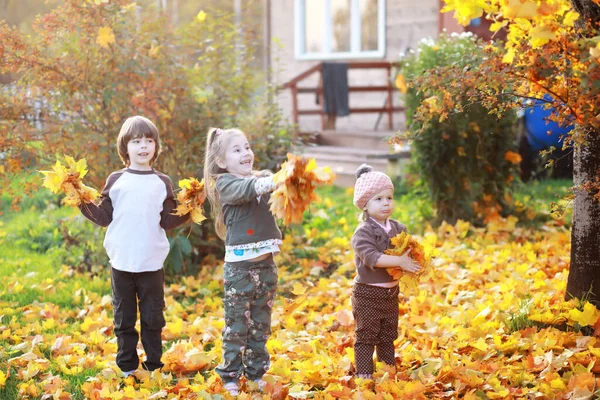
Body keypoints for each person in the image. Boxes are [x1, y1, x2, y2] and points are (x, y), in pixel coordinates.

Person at [78, 115, 190, 379]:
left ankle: (153, 366)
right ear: (125, 148)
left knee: (153, 318)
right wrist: (80, 199)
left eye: (149, 141)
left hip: (151, 263)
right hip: (122, 262)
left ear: (155, 146)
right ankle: (127, 367)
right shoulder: (117, 179)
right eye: (136, 141)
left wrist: (191, 207)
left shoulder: (162, 182)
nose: (143, 146)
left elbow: (167, 220)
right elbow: (103, 216)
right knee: (124, 318)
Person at [203, 127, 281, 396]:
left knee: (260, 326)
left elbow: (269, 186)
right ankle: (229, 375)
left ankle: (256, 372)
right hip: (239, 271)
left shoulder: (263, 179)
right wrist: (273, 181)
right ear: (222, 162)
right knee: (237, 326)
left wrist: (290, 181)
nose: (246, 153)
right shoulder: (225, 183)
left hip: (266, 267)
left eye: (247, 147)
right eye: (237, 150)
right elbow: (249, 188)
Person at [350, 164, 421, 379]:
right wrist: (399, 260)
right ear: (365, 205)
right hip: (367, 294)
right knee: (366, 335)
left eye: (389, 198)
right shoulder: (363, 232)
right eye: (378, 199)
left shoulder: (398, 228)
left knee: (387, 335)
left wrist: (416, 259)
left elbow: (408, 251)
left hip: (390, 293)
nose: (385, 203)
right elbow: (372, 257)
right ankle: (364, 373)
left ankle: (387, 370)